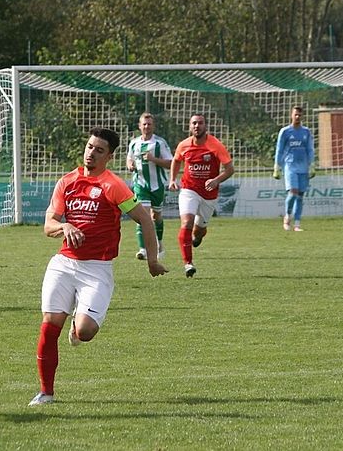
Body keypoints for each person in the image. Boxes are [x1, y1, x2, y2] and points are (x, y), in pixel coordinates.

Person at [29, 127, 168, 407]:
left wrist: (152, 261)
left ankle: (78, 325)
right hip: (64, 264)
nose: (91, 153)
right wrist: (65, 226)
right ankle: (46, 392)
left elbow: (146, 220)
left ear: (110, 156)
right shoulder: (66, 182)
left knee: (86, 332)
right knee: (48, 325)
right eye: (90, 146)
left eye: (99, 150)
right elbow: (48, 224)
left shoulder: (113, 185)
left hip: (96, 269)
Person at [168, 114, 235, 278]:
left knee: (199, 231)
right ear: (190, 126)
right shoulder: (184, 145)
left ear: (206, 126)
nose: (197, 126)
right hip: (189, 190)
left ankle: (198, 236)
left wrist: (216, 180)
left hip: (209, 194)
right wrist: (172, 179)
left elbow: (230, 169)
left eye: (200, 123)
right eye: (194, 123)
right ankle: (188, 264)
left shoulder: (215, 145)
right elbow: (176, 160)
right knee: (187, 222)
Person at [126, 112, 173, 261]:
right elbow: (129, 159)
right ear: (139, 126)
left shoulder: (159, 143)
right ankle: (143, 249)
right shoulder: (134, 143)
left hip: (157, 185)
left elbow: (171, 163)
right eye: (144, 124)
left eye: (149, 124)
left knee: (156, 216)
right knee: (143, 215)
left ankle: (159, 243)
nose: (146, 126)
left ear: (153, 126)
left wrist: (153, 159)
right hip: (140, 184)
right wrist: (130, 165)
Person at [273, 106, 315, 232]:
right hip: (290, 166)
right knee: (293, 192)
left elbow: (310, 149)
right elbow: (279, 150)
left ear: (302, 116)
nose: (297, 117)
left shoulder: (306, 132)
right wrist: (277, 166)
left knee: (300, 196)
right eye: (295, 114)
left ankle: (297, 224)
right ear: (291, 115)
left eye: (299, 115)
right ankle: (287, 217)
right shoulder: (285, 131)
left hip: (303, 167)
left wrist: (312, 165)